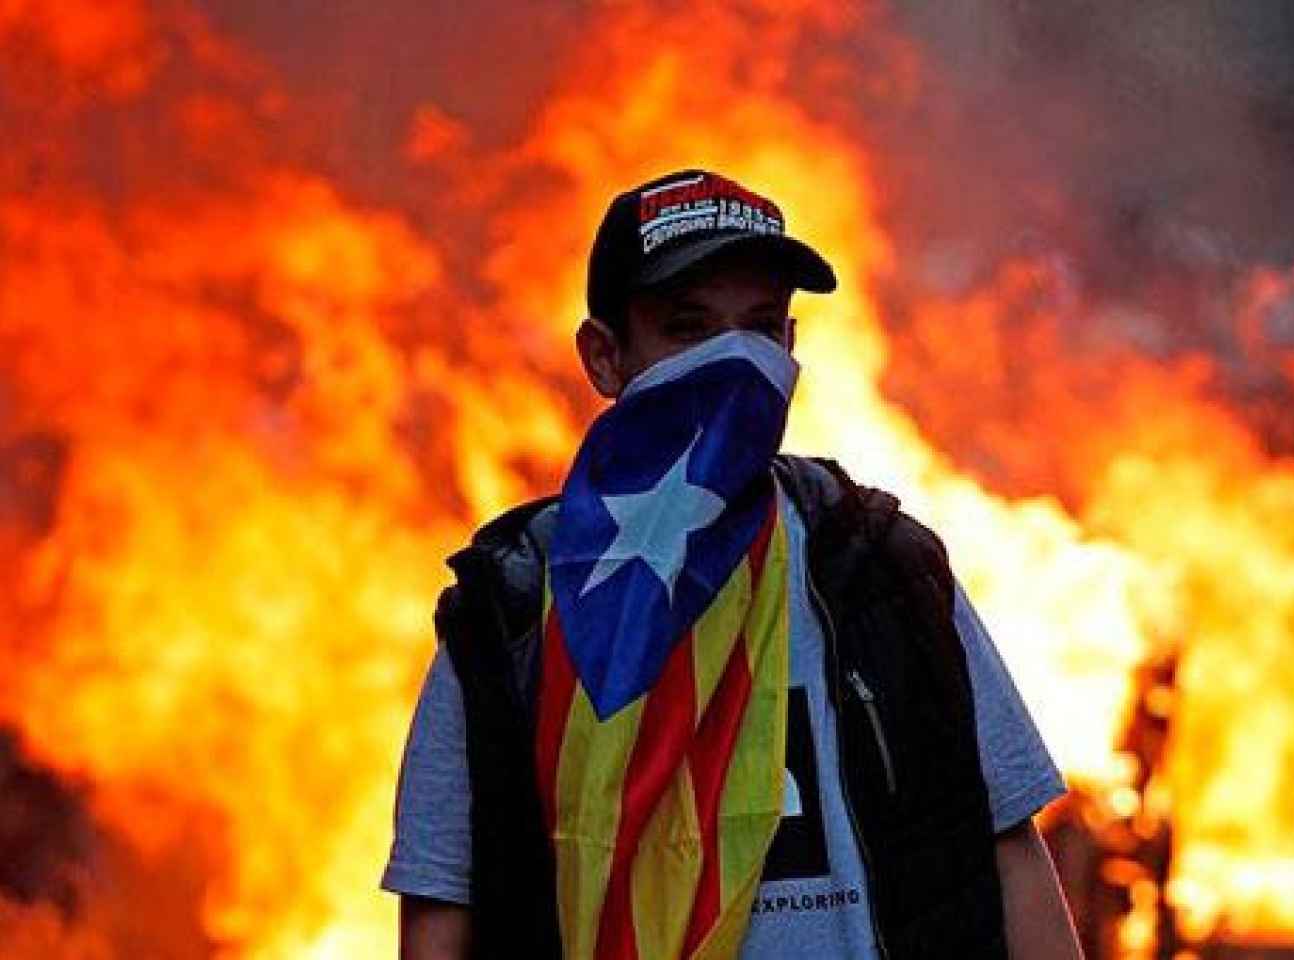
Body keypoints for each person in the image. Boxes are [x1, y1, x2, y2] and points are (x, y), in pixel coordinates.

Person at [381, 169, 1082, 960]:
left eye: (759, 327)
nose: (734, 362)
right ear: (605, 358)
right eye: (688, 327)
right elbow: (444, 914)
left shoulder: (883, 572)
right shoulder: (509, 615)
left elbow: (1011, 853)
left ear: (790, 347)